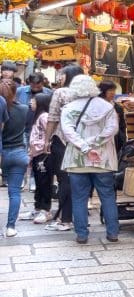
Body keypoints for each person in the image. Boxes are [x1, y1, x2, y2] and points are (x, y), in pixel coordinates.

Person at [60, 75, 120, 245]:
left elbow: (68, 132)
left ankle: (81, 234)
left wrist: (85, 147)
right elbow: (112, 129)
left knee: (79, 198)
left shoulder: (69, 108)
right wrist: (96, 143)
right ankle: (113, 232)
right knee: (107, 197)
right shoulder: (107, 107)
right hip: (104, 160)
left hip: (77, 161)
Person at [44, 64, 84, 231]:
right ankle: (77, 217)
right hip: (83, 141)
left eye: (62, 75)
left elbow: (53, 118)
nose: (60, 78)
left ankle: (65, 218)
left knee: (64, 179)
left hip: (62, 139)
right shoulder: (88, 94)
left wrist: (46, 140)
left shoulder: (60, 93)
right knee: (80, 180)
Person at [0, 81, 29, 237]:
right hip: (18, 153)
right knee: (14, 192)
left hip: (2, 152)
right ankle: (10, 226)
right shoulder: (24, 109)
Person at [28, 92, 54, 224]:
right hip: (37, 154)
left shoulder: (44, 117)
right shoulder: (38, 116)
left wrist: (46, 145)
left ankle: (46, 210)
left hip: (44, 154)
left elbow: (51, 133)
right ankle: (38, 207)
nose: (31, 103)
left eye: (33, 101)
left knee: (44, 183)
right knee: (39, 182)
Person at [99, 81, 128, 154]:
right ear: (103, 91)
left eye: (114, 90)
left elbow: (122, 126)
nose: (113, 93)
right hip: (99, 140)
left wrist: (123, 140)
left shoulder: (117, 108)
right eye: (110, 90)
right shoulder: (97, 106)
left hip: (115, 139)